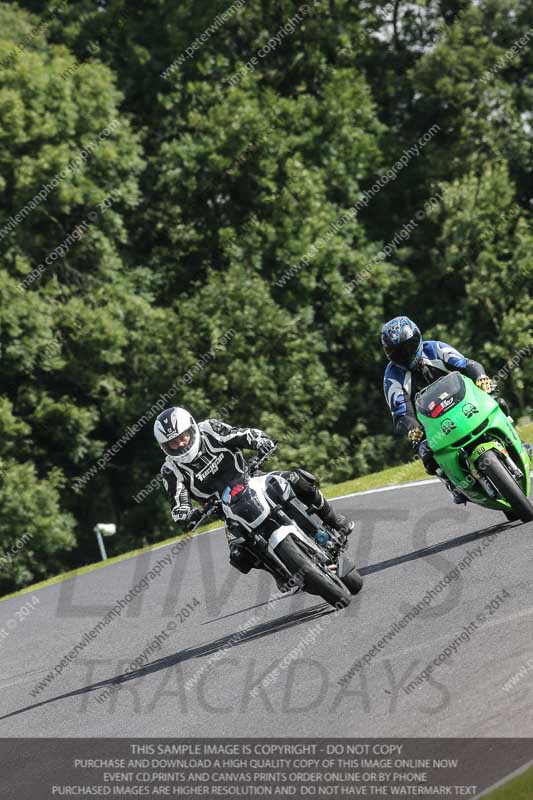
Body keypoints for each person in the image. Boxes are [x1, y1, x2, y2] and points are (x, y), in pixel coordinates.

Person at [154, 407, 353, 579]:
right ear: (164, 447)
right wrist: (187, 515)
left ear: (191, 428)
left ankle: (334, 520)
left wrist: (260, 441)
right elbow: (178, 502)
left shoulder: (209, 429)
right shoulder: (170, 470)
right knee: (239, 556)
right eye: (173, 442)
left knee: (297, 480)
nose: (180, 444)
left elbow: (241, 434)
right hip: (226, 511)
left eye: (183, 437)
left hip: (252, 479)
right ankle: (281, 572)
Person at [381, 316, 496, 501]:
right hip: (430, 423)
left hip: (464, 402)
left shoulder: (435, 348)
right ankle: (452, 482)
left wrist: (481, 377)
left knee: (496, 399)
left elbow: (467, 364)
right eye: (398, 352)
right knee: (425, 450)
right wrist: (412, 428)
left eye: (409, 346)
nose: (406, 354)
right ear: (389, 354)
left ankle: (516, 442)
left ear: (418, 338)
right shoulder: (392, 377)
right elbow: (401, 412)